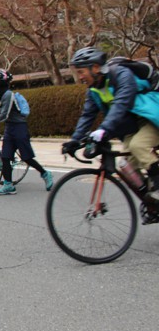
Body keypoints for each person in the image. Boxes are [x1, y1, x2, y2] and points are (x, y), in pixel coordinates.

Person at [62, 47, 159, 221]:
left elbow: (122, 102)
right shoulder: (93, 90)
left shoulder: (120, 74)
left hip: (153, 117)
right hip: (135, 126)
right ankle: (153, 204)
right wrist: (74, 140)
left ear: (96, 68)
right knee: (128, 167)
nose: (80, 77)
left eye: (81, 72)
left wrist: (103, 129)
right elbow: (87, 115)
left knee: (138, 146)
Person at [0, 69, 53, 195]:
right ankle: (8, 185)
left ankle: (45, 173)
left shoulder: (8, 94)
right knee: (6, 157)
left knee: (27, 157)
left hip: (20, 127)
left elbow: (4, 114)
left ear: (0, 82)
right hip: (10, 128)